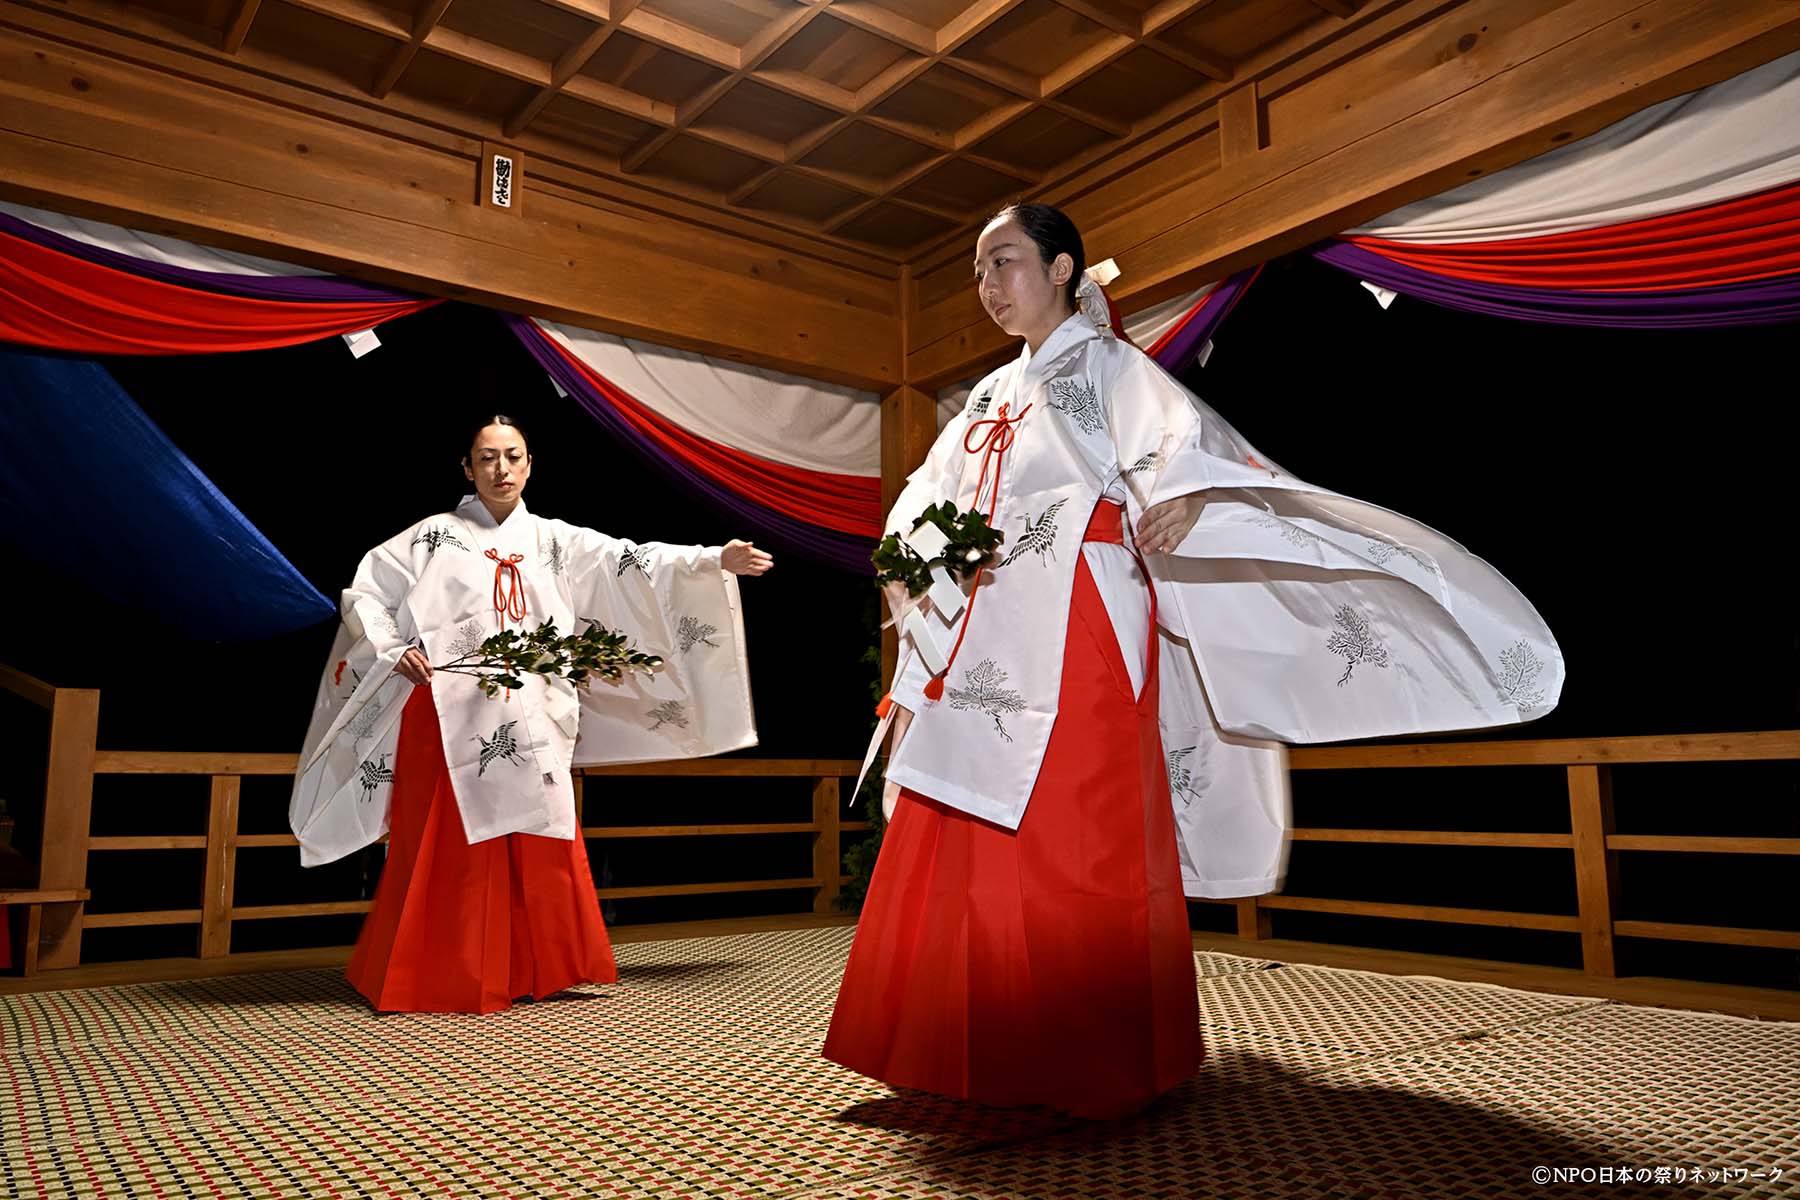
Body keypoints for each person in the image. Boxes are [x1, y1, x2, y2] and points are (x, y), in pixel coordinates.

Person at [824, 203, 1562, 1118]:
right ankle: (958, 1046)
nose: (987, 284)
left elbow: (1195, 453)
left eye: (1004, 261)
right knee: (961, 815)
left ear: (1062, 269)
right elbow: (921, 499)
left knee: (1077, 825)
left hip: (1081, 622)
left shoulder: (1110, 369)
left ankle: (1089, 1058)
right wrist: (919, 556)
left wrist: (1196, 501)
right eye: (978, 270)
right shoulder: (983, 398)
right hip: (983, 628)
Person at [290, 414, 772, 1013]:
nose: (502, 469)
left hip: (533, 709)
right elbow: (365, 595)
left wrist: (711, 558)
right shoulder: (430, 537)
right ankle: (441, 969)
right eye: (487, 458)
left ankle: (533, 967)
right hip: (448, 707)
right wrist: (395, 650)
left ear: (530, 464)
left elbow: (632, 559)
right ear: (468, 468)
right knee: (449, 843)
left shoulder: (552, 540)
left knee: (536, 838)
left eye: (513, 456)